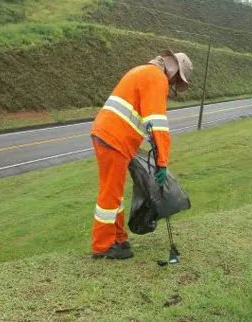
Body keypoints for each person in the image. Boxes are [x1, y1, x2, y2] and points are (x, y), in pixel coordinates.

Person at [90, 50, 193, 259]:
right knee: (110, 192)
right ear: (173, 72)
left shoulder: (143, 71)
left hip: (109, 136)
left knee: (114, 192)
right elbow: (157, 124)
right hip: (114, 139)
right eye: (175, 81)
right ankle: (102, 246)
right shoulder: (157, 78)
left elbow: (145, 119)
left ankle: (117, 238)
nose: (172, 86)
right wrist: (162, 163)